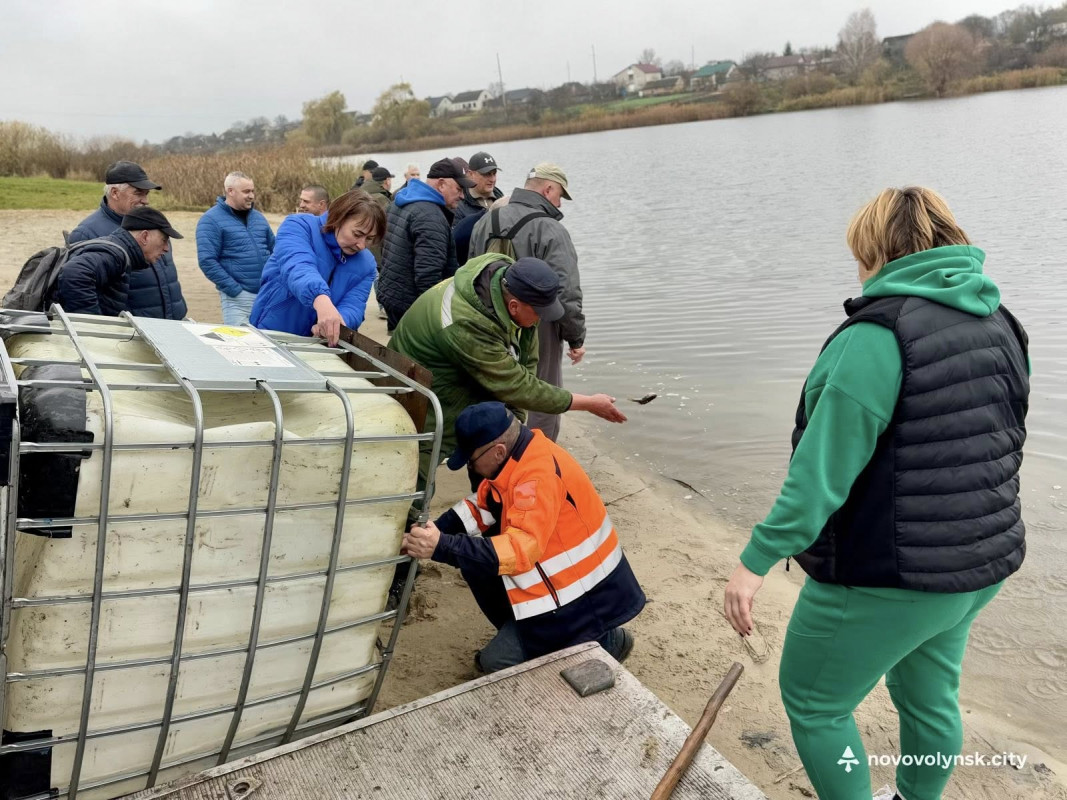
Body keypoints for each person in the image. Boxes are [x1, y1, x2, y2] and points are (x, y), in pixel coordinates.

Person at [723, 187, 1030, 800]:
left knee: (814, 704)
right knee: (928, 695)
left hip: (891, 574)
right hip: (980, 562)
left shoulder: (876, 336)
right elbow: (1003, 438)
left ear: (873, 252)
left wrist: (754, 561)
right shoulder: (999, 319)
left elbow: (820, 474)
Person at [402, 401, 644, 672]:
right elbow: (481, 505)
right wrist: (434, 530)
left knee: (494, 664)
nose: (470, 467)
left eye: (471, 460)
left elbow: (519, 551)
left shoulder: (536, 478)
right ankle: (528, 633)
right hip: (567, 584)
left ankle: (608, 641)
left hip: (580, 599)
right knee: (473, 562)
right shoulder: (518, 458)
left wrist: (441, 546)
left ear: (498, 451)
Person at [469, 163, 584, 441]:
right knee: (542, 395)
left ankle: (496, 457)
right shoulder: (550, 228)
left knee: (496, 388)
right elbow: (566, 293)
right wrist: (576, 337)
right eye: (559, 196)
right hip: (538, 322)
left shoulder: (486, 221)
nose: (559, 203)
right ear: (548, 189)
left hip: (488, 322)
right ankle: (536, 462)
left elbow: (469, 272)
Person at [250, 191, 383, 345]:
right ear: (339, 218)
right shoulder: (299, 226)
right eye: (357, 234)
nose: (361, 245)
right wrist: (321, 300)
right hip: (270, 333)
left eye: (369, 239)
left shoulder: (367, 264)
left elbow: (354, 305)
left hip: (318, 346)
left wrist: (338, 322)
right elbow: (298, 267)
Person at [68, 160, 187, 319]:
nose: (146, 201)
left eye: (146, 194)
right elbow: (76, 287)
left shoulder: (154, 224)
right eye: (138, 193)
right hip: (132, 334)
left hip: (172, 325)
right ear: (115, 193)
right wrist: (100, 327)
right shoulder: (87, 233)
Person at [377, 157, 473, 330]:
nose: (462, 196)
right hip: (412, 307)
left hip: (391, 297)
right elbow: (428, 276)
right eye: (459, 189)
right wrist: (435, 319)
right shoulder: (431, 217)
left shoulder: (401, 200)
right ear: (442, 184)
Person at [57, 207, 182, 316]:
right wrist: (92, 324)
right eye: (163, 240)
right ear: (144, 237)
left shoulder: (118, 249)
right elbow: (74, 273)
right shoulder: (116, 254)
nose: (166, 248)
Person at [195, 171, 275, 326]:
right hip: (238, 299)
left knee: (269, 344)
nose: (251, 196)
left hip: (267, 295)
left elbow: (275, 250)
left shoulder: (258, 218)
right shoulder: (210, 220)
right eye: (246, 191)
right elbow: (207, 261)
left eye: (252, 191)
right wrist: (234, 290)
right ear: (230, 191)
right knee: (241, 346)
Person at [452, 151, 503, 228]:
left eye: (494, 174)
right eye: (486, 174)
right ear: (471, 174)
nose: (492, 179)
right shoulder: (459, 206)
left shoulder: (501, 198)